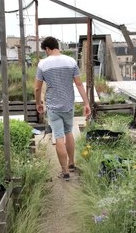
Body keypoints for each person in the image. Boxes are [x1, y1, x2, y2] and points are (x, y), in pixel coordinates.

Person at [35, 36, 91, 181]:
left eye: (45, 50)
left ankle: (64, 171)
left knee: (58, 136)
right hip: (68, 105)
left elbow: (37, 88)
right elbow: (79, 84)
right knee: (69, 133)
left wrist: (38, 104)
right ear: (57, 46)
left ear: (47, 49)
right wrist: (86, 103)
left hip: (53, 106)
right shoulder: (71, 61)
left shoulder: (42, 64)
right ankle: (72, 164)